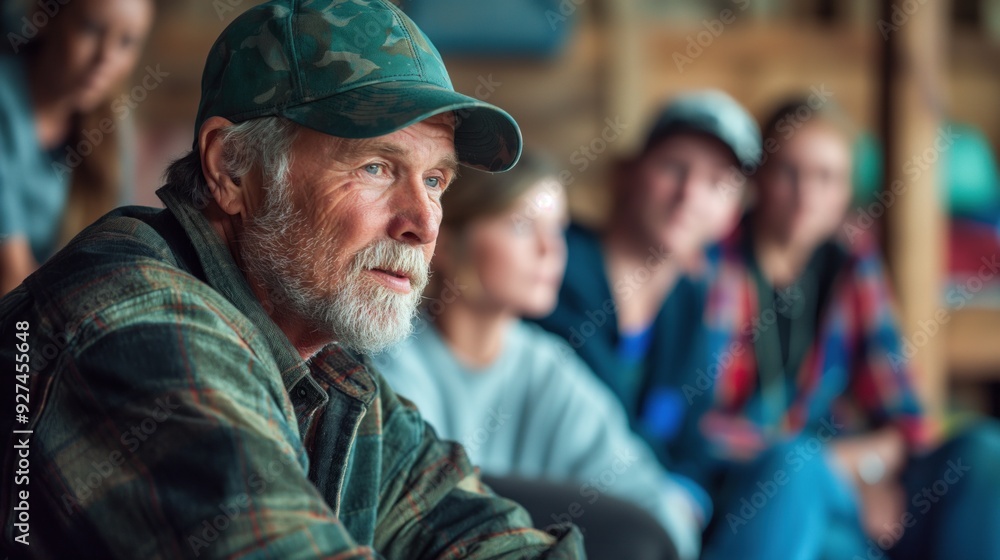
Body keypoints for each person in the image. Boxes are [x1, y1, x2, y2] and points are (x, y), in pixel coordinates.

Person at [0, 1, 585, 557]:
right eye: (377, 167)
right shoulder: (135, 326)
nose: (424, 224)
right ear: (233, 167)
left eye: (435, 180)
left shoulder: (323, 362)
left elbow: (477, 532)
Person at [693, 97, 1000, 560]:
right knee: (797, 473)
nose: (806, 195)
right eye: (788, 172)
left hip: (842, 477)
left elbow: (907, 420)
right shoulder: (714, 262)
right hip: (747, 483)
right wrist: (840, 466)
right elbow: (697, 428)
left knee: (983, 450)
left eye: (826, 178)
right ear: (758, 177)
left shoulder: (850, 262)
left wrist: (869, 472)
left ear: (844, 192)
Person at [374, 153, 707, 560]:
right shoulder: (391, 357)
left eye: (558, 230)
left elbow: (646, 494)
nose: (550, 250)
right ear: (444, 240)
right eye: (521, 226)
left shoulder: (548, 365)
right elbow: (406, 514)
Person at [533, 90, 761, 501]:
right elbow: (606, 422)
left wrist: (690, 492)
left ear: (733, 213)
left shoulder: (690, 300)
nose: (689, 194)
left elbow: (691, 441)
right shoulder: (556, 262)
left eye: (716, 183)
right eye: (674, 167)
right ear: (628, 173)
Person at [0, 0, 154, 295]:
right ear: (45, 17)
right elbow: (10, 279)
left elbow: (113, 250)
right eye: (91, 29)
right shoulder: (6, 104)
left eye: (126, 41)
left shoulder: (113, 125)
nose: (105, 57)